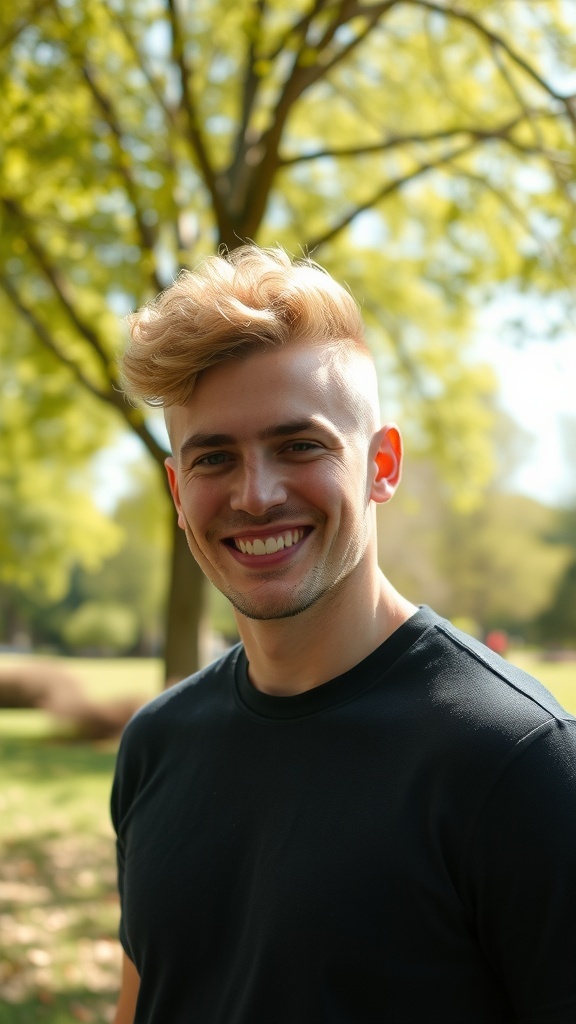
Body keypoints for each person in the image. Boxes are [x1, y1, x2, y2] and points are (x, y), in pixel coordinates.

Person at [111, 245, 576, 1024]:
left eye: (301, 445)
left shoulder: (518, 762)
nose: (254, 495)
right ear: (177, 491)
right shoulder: (157, 743)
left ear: (381, 464)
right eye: (214, 457)